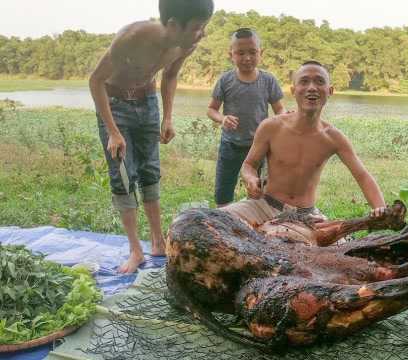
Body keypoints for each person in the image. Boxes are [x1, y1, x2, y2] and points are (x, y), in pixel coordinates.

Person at [89, 0, 214, 273]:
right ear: (172, 25)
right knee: (123, 175)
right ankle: (135, 250)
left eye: (203, 27)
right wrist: (113, 131)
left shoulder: (187, 44)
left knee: (150, 172)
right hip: (116, 106)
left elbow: (170, 76)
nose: (201, 34)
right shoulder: (132, 38)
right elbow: (96, 80)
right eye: (197, 27)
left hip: (147, 103)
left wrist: (167, 117)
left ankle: (158, 242)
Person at [221, 61, 387, 237]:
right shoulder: (271, 126)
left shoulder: (333, 137)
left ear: (330, 91)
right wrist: (251, 179)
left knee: (331, 250)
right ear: (293, 91)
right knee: (216, 219)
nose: (312, 88)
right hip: (263, 206)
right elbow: (249, 165)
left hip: (306, 217)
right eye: (304, 81)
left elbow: (362, 175)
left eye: (319, 82)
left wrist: (381, 209)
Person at [207, 28, 286, 208]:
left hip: (259, 147)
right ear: (231, 55)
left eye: (252, 52)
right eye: (240, 53)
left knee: (258, 190)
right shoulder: (225, 80)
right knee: (223, 191)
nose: (247, 57)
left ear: (261, 53)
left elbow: (279, 108)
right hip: (230, 146)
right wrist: (223, 118)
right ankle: (224, 220)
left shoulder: (268, 80)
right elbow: (211, 109)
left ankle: (253, 223)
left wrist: (284, 119)